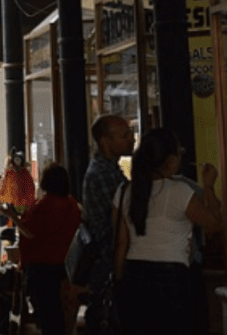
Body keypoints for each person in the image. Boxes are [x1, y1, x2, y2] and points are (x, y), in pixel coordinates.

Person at [113, 128, 222, 335]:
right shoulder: (180, 191)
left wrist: (118, 283)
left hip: (133, 274)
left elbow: (121, 243)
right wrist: (209, 186)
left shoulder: (125, 191)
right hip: (171, 277)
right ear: (171, 160)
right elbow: (214, 225)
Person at [2, 164, 81, 335]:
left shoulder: (45, 205)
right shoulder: (72, 204)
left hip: (42, 265)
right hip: (67, 265)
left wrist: (12, 216)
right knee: (63, 312)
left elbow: (30, 231)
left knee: (48, 312)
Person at [80, 114, 133, 335]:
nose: (132, 139)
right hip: (109, 262)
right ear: (105, 141)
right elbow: (117, 226)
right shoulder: (102, 175)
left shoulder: (110, 170)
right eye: (124, 135)